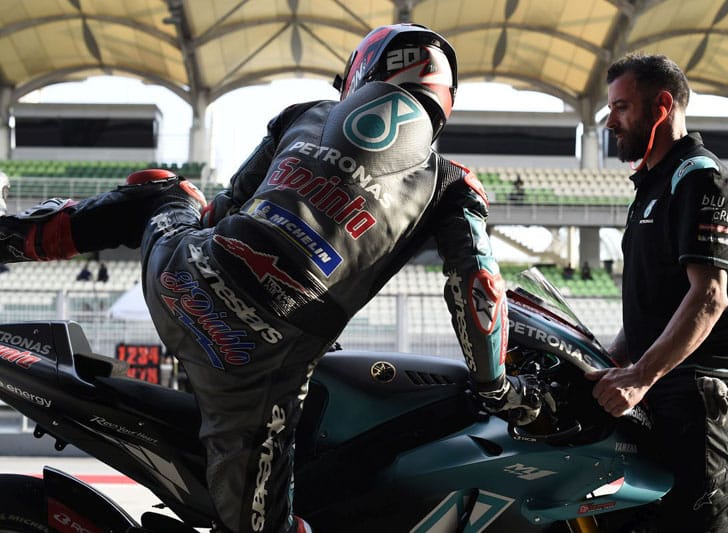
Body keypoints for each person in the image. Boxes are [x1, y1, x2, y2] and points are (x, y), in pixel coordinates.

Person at [0, 23, 541, 533]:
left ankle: (10, 237)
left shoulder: (303, 114)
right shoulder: (452, 183)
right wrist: (498, 387)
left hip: (179, 276)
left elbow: (220, 210)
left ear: (364, 69)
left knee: (167, 193)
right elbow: (479, 288)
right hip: (259, 362)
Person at [586, 53, 728, 531]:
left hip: (696, 386)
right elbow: (657, 301)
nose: (609, 121)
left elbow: (709, 296)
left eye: (621, 107)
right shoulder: (652, 184)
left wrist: (639, 375)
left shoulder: (700, 177)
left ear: (662, 106)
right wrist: (613, 357)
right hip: (661, 384)